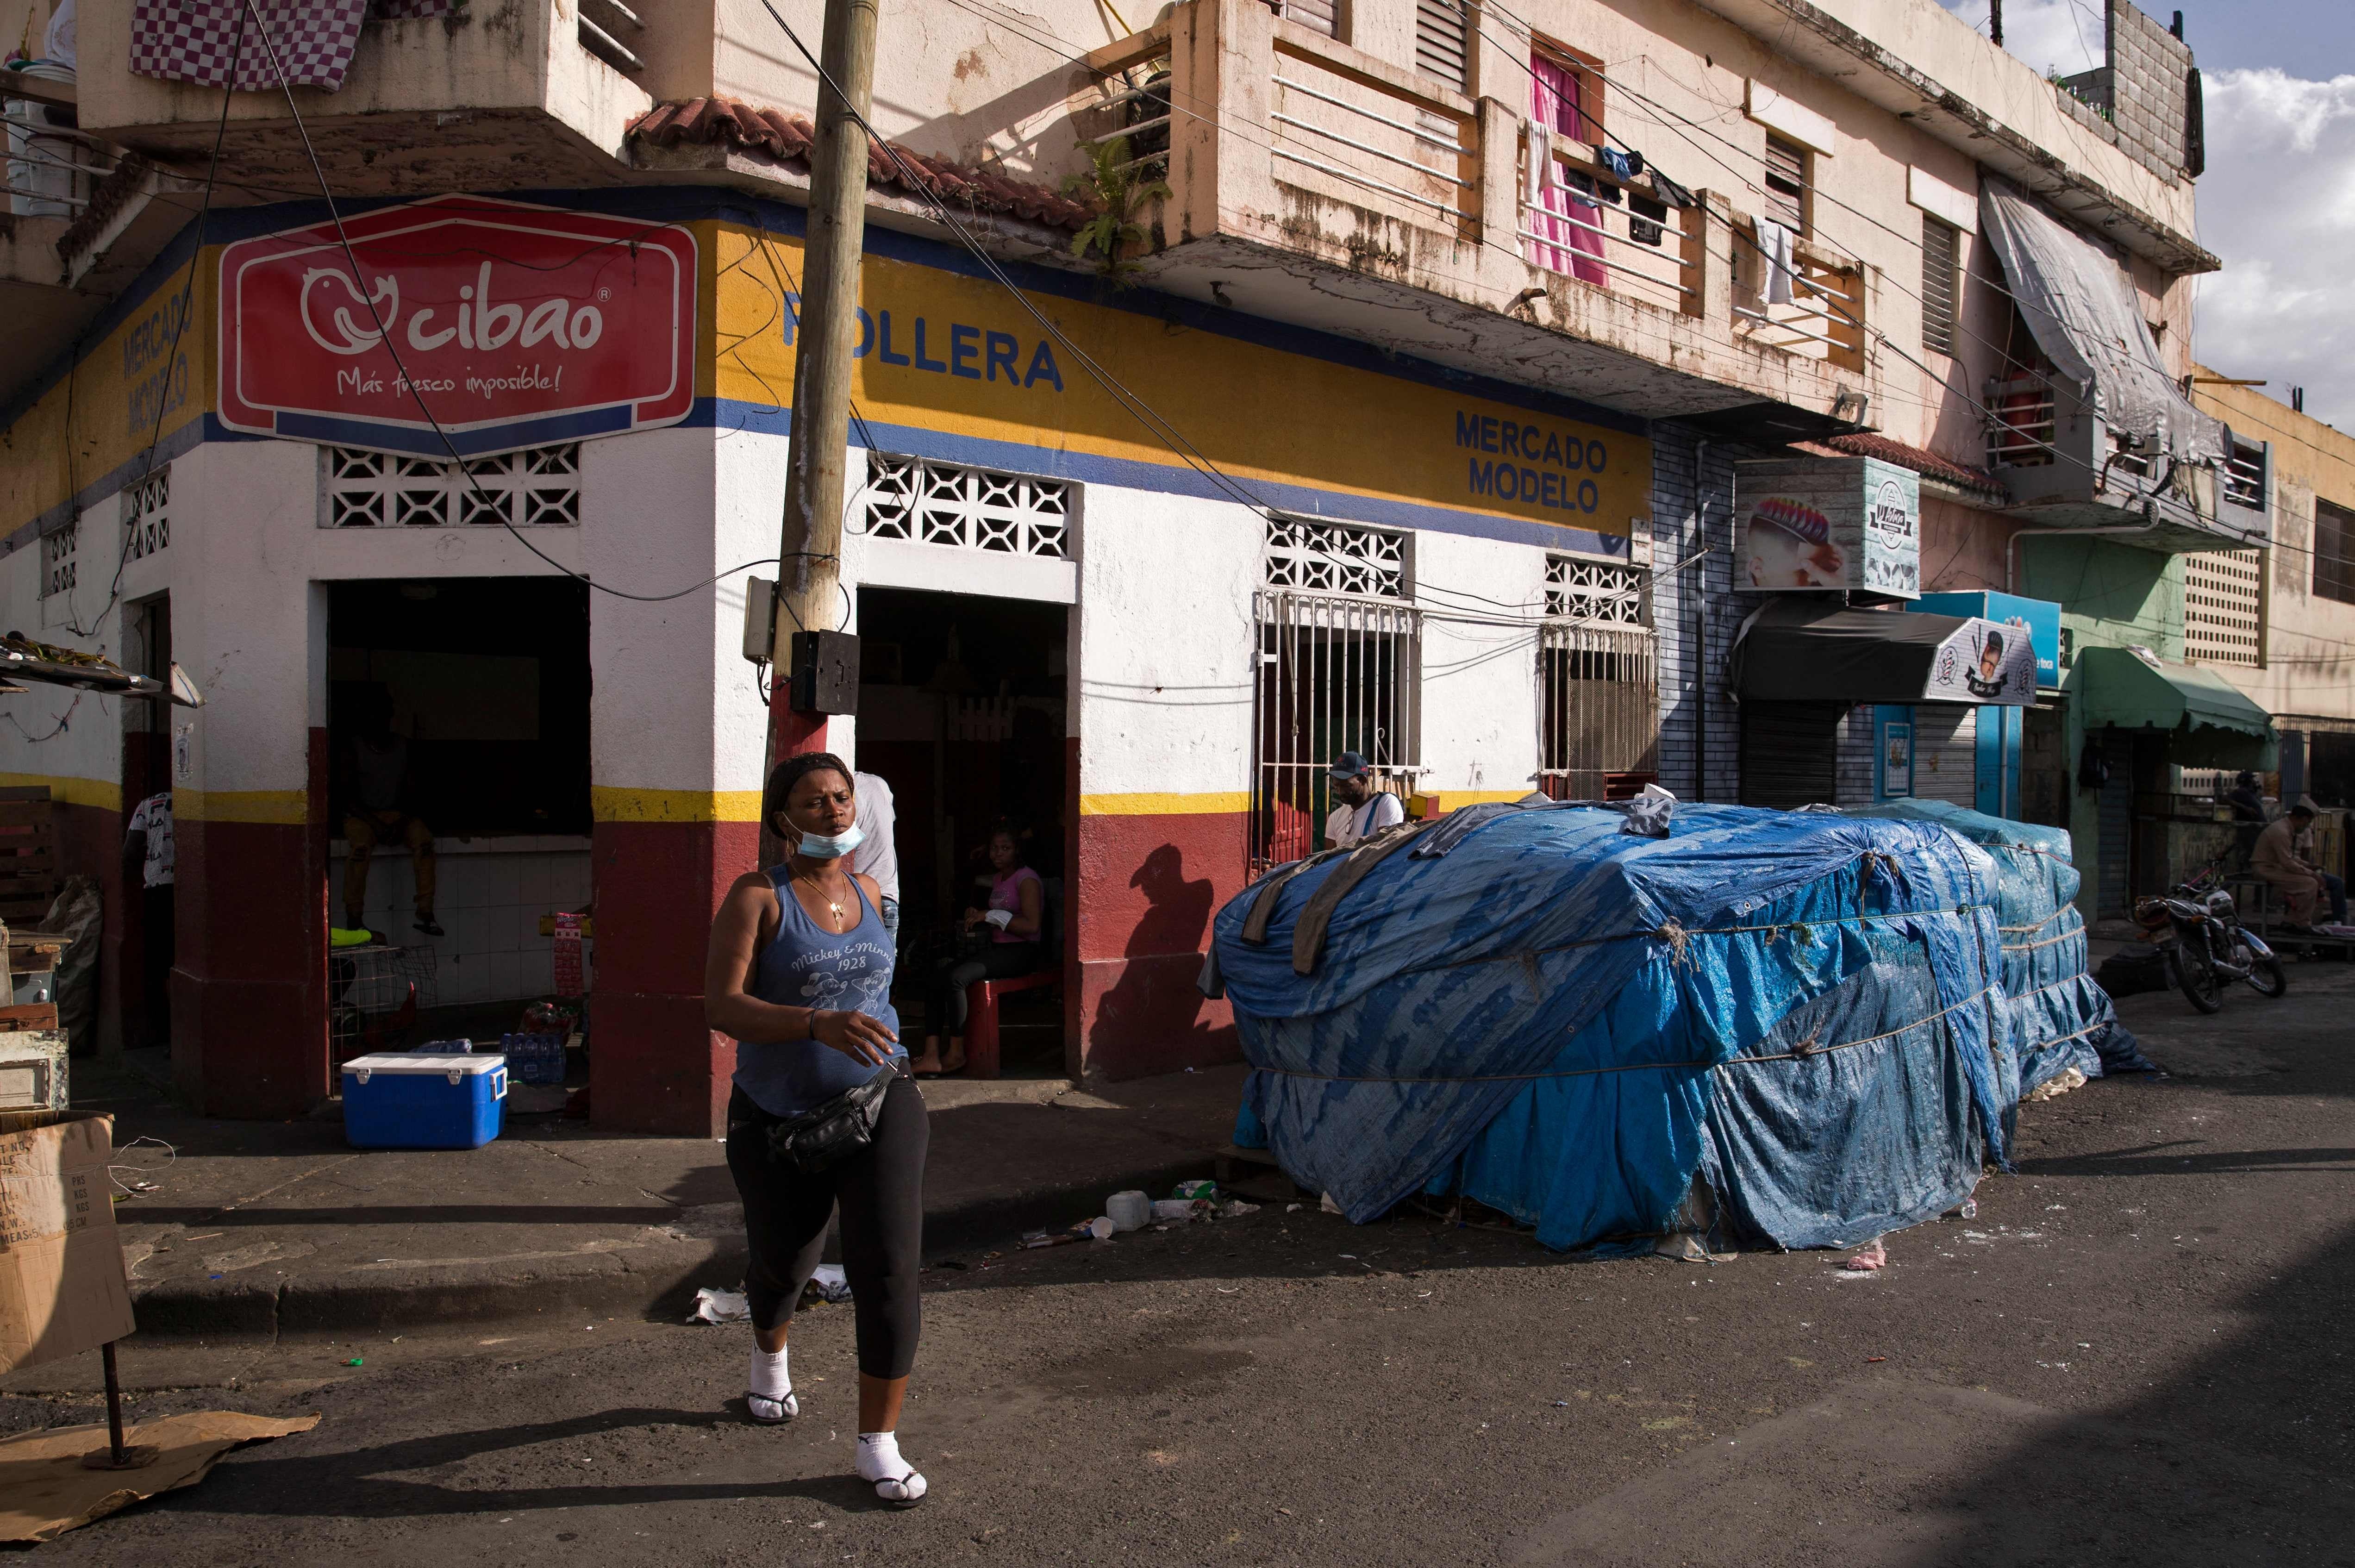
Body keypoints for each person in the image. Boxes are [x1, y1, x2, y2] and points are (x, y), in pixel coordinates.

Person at [704, 754, 929, 1507]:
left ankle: (878, 1443)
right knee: (784, 1260)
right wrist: (813, 1023)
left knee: (890, 1264)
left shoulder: (869, 890)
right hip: (779, 1116)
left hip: (882, 1091)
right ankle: (770, 1356)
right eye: (814, 801)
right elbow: (723, 1005)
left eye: (841, 798)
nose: (835, 810)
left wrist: (866, 1037)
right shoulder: (756, 899)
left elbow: (875, 989)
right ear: (782, 821)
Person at [911, 826, 1043, 1077]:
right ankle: (931, 1055)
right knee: (936, 977)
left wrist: (990, 915)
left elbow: (1032, 926)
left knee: (956, 978)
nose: (998, 853)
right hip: (998, 949)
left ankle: (956, 1053)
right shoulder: (998, 879)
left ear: (1017, 850)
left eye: (1006, 848)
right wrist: (978, 915)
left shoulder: (1027, 879)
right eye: (995, 848)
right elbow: (997, 915)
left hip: (1021, 952)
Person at [340, 691, 440, 937]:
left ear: (389, 717)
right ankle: (354, 917)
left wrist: (402, 822)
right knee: (360, 848)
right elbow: (346, 798)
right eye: (372, 715)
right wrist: (376, 824)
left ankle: (425, 912)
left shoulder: (403, 747)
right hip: (361, 817)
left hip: (396, 815)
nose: (377, 720)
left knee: (424, 842)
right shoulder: (353, 747)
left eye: (383, 715)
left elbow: (413, 793)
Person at [121, 785, 173, 1050]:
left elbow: (130, 851)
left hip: (158, 887)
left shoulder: (147, 805)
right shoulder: (192, 802)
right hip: (188, 888)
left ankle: (165, 1032)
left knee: (160, 963)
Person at [2252, 801, 2347, 930]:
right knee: (2309, 883)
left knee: (2311, 881)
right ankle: (2301, 923)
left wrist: (2308, 866)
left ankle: (2292, 920)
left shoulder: (2286, 829)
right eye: (2307, 823)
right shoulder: (2281, 831)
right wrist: (2312, 874)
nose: (2307, 827)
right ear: (2301, 819)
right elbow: (2287, 862)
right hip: (2266, 869)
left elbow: (2289, 858)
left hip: (2275, 867)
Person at [851, 770, 900, 948]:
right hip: (887, 894)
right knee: (882, 971)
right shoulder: (879, 784)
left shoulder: (840, 790)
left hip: (855, 898)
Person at [1324, 751, 1405, 849]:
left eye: (1347, 786)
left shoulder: (1386, 803)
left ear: (1363, 780)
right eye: (1336, 786)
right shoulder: (1335, 818)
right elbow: (1329, 859)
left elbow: (1387, 850)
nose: (1340, 792)